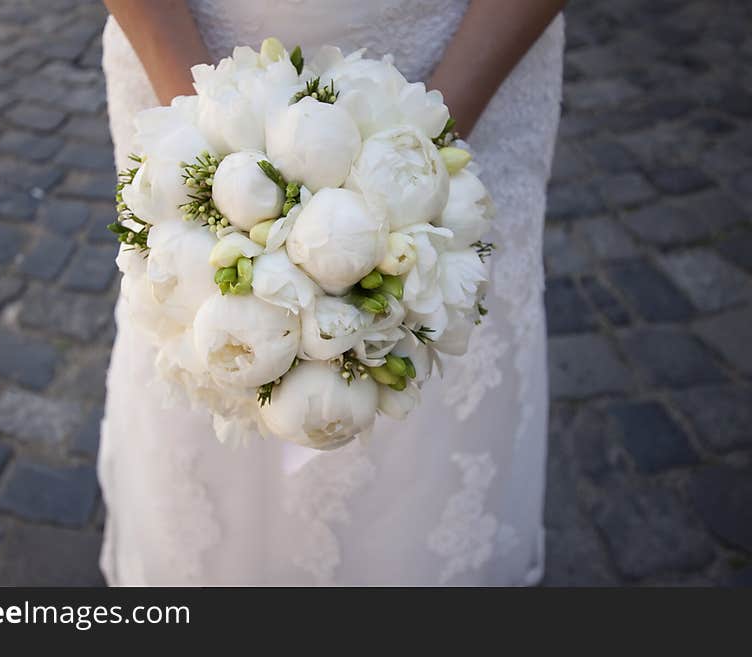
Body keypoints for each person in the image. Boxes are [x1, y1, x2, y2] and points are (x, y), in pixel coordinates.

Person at [99, 0, 566, 586]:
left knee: (444, 335)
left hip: (469, 60)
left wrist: (433, 142)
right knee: (193, 328)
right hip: (181, 52)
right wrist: (205, 142)